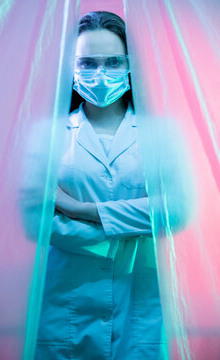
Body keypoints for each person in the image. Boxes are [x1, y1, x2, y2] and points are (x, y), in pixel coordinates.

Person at [20, 11, 192, 360]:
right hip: (67, 303)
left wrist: (77, 208)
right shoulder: (47, 135)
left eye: (113, 61)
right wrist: (122, 237)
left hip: (140, 303)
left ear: (130, 64)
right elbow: (34, 216)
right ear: (70, 67)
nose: (100, 74)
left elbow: (176, 209)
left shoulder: (162, 133)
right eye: (88, 63)